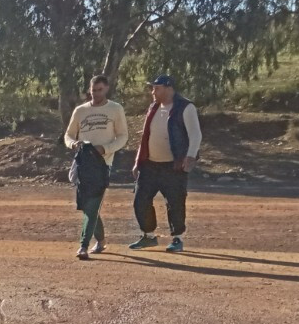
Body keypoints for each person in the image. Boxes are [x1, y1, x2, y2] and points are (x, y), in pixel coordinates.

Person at [130, 74, 201, 253]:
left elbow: (195, 135)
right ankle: (148, 236)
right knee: (140, 200)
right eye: (153, 88)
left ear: (169, 88)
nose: (153, 92)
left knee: (175, 203)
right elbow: (145, 136)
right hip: (150, 165)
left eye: (157, 88)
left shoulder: (186, 107)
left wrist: (190, 157)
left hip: (174, 166)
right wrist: (139, 161)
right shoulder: (153, 107)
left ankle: (177, 238)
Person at [63, 74, 128, 260]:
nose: (96, 94)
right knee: (86, 205)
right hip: (84, 163)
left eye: (99, 90)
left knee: (92, 206)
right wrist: (73, 144)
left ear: (106, 89)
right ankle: (101, 240)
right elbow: (68, 135)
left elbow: (123, 136)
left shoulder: (115, 109)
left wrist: (106, 149)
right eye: (93, 91)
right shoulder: (80, 111)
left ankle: (83, 245)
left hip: (102, 164)